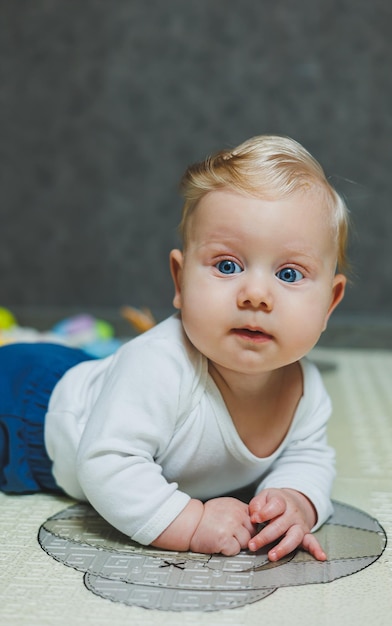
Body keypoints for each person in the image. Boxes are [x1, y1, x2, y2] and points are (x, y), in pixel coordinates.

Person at [0, 135, 348, 563]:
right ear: (179, 281)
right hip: (26, 413)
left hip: (93, 382)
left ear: (330, 303)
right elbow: (106, 462)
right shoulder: (160, 364)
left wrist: (296, 499)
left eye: (290, 274)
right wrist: (191, 521)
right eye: (227, 265)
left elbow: (310, 457)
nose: (256, 294)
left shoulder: (306, 391)